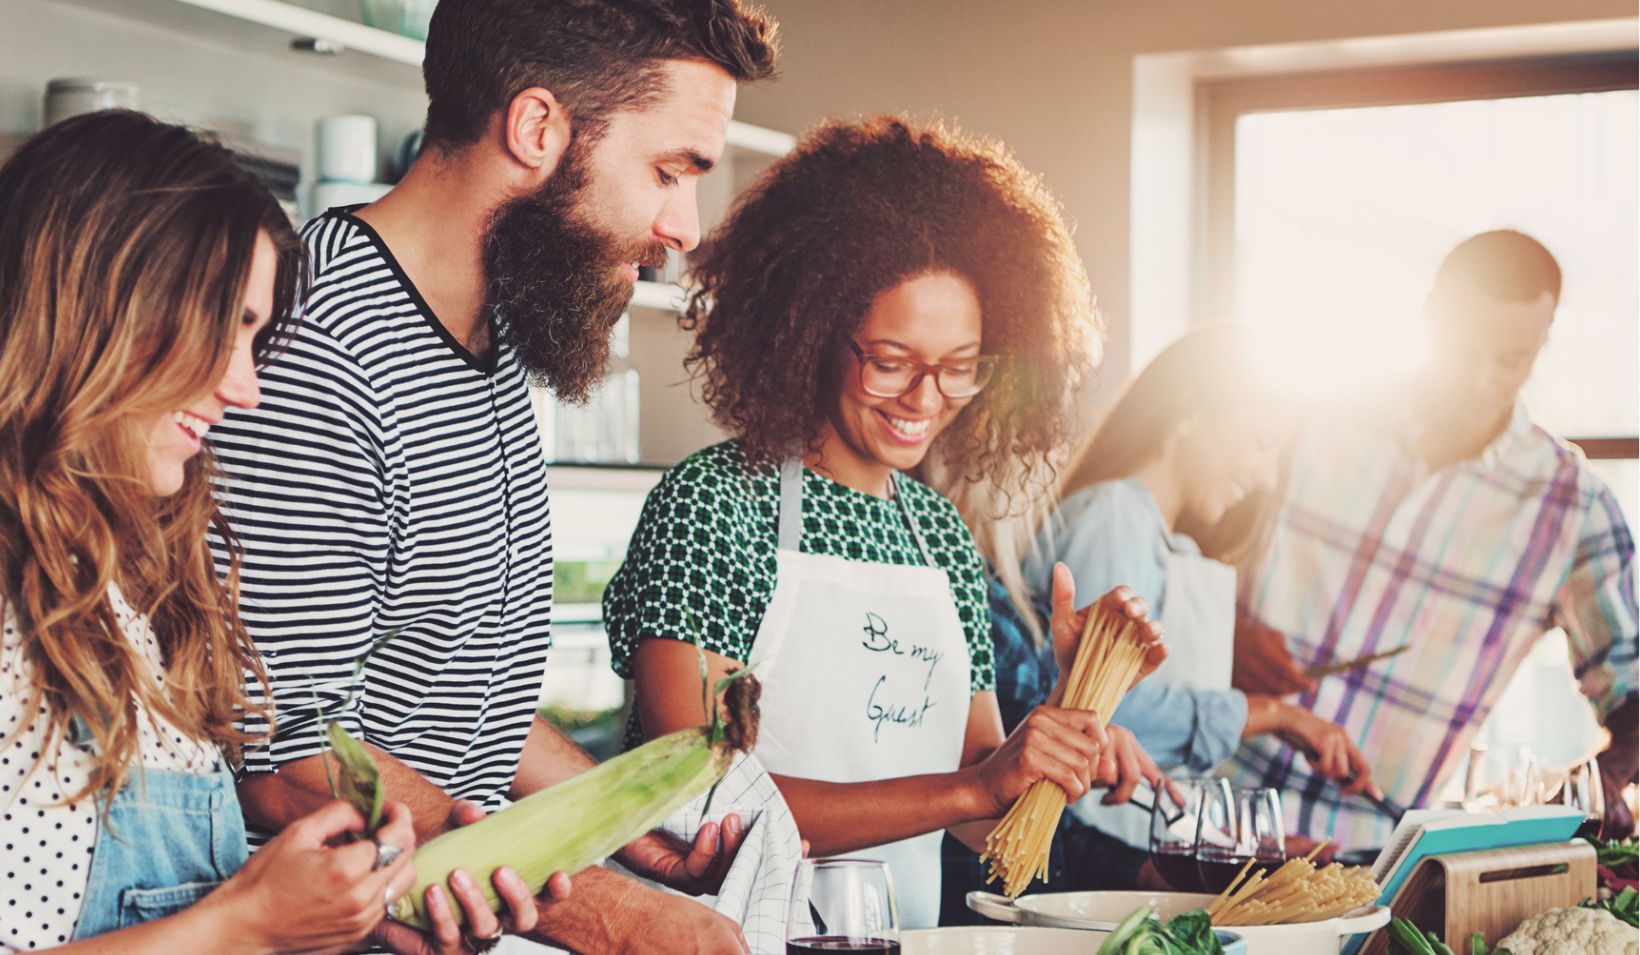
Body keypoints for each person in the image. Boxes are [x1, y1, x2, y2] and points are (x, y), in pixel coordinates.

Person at [0, 111, 520, 954]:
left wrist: (345, 912)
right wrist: (246, 922)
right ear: (101, 309)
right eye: (225, 327)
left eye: (255, 336)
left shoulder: (135, 584)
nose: (247, 389)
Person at [205, 1, 780, 951]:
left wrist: (626, 826)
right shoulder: (321, 343)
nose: (682, 225)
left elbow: (454, 697)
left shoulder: (498, 333)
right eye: (669, 171)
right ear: (537, 128)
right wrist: (613, 918)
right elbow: (279, 750)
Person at [602, 115, 1169, 928]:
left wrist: (1067, 719)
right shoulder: (714, 506)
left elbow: (981, 820)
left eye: (958, 368)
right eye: (892, 361)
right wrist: (973, 784)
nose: (924, 399)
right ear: (809, 330)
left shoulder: (938, 536)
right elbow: (693, 797)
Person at [1228, 230, 1638, 847]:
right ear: (1428, 316)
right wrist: (1222, 630)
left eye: (1509, 361)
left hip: (1371, 860)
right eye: (1462, 348)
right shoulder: (1313, 417)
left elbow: (1633, 689)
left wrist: (1602, 781)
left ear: (1541, 347)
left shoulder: (1571, 507)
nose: (1478, 381)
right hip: (1204, 814)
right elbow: (1185, 550)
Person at [1009, 325, 1374, 884]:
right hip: (1079, 869)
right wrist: (1276, 714)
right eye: (1261, 444)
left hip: (1132, 861)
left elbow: (1138, 758)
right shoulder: (1114, 517)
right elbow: (1102, 718)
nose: (1266, 475)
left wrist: (1231, 844)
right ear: (1187, 415)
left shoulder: (1162, 538)